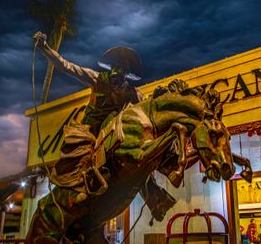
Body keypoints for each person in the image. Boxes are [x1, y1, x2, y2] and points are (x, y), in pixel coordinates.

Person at [33, 31, 176, 221]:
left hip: (111, 133)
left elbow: (150, 106)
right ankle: (75, 194)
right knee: (77, 161)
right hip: (89, 132)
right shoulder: (96, 78)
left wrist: (162, 96)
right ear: (111, 67)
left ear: (127, 73)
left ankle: (155, 200)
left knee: (136, 157)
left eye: (123, 69)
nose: (118, 72)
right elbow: (66, 66)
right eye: (116, 67)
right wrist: (45, 48)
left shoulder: (133, 93)